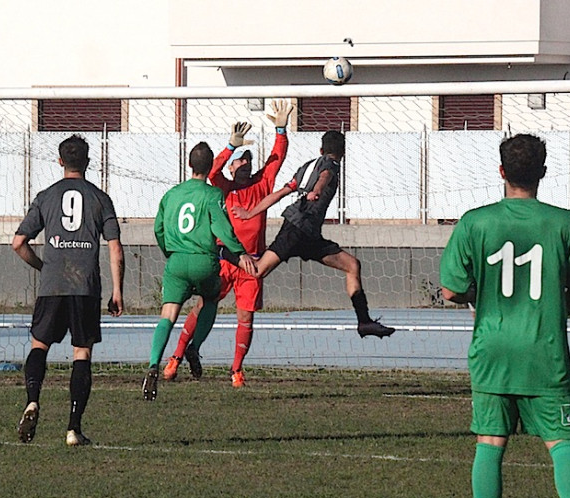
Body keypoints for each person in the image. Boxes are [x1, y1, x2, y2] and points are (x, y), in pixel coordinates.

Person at [440, 133, 570, 498]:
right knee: (562, 442)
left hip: (492, 350)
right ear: (543, 173)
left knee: (490, 444)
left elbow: (450, 288)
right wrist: (553, 311)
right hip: (544, 350)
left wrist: (479, 295)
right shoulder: (565, 222)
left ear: (501, 172)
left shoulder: (474, 222)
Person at [163, 101, 292, 388]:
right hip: (222, 259)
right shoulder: (221, 186)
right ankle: (177, 356)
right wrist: (231, 146)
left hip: (252, 262)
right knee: (202, 306)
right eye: (240, 160)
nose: (245, 163)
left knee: (245, 317)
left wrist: (280, 130)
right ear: (232, 167)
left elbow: (276, 158)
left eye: (248, 158)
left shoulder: (262, 185)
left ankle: (236, 370)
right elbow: (212, 170)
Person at [13, 134, 124, 446]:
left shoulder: (46, 196)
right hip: (85, 286)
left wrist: (42, 266)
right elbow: (115, 248)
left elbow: (18, 243)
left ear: (60, 161)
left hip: (52, 284)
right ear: (88, 163)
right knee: (82, 352)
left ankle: (32, 400)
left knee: (39, 345)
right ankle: (74, 429)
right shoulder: (100, 198)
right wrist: (117, 291)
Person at [231, 130, 395, 338]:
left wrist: (250, 212)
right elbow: (325, 176)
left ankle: (364, 322)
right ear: (342, 152)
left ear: (320, 149)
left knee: (352, 265)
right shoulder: (331, 165)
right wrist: (317, 189)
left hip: (309, 234)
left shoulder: (306, 167)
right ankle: (225, 254)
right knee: (257, 272)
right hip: (296, 229)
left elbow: (281, 193)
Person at [142, 141, 256, 402]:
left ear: (189, 164)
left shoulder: (172, 194)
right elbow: (223, 230)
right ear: (210, 165)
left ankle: (152, 366)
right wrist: (239, 253)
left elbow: (158, 229)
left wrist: (169, 252)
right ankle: (194, 348)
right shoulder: (213, 195)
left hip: (177, 262)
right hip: (204, 261)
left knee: (168, 315)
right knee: (210, 301)